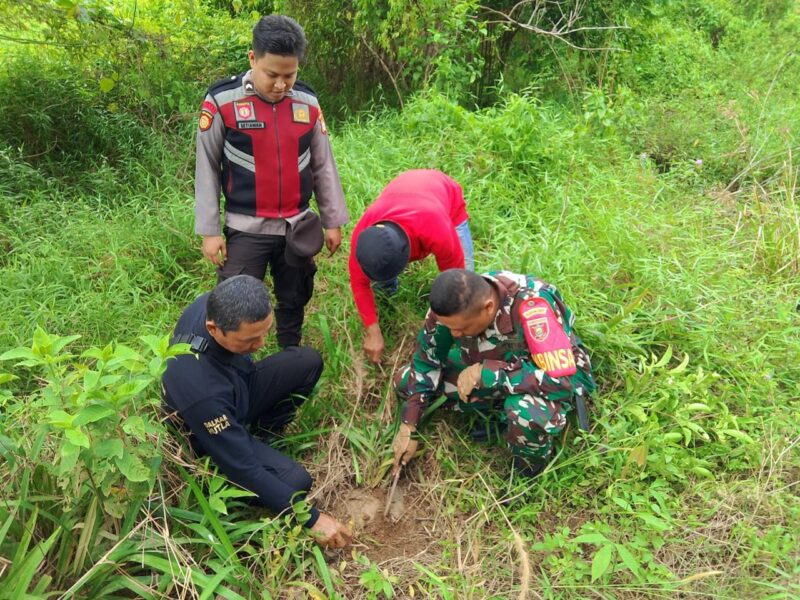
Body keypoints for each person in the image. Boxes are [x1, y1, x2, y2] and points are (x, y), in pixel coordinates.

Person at [162, 275, 351, 548]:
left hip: (236, 387)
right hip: (210, 432)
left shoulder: (216, 304)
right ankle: (248, 447)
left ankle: (263, 435)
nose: (262, 344)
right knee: (296, 481)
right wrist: (310, 519)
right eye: (250, 339)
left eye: (265, 332)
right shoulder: (201, 392)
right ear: (213, 328)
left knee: (306, 361)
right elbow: (243, 467)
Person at [195, 14, 349, 348]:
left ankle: (288, 353)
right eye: (272, 75)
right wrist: (209, 231)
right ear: (253, 58)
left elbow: (323, 164)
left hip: (297, 227)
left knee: (294, 296)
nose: (281, 85)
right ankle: (236, 364)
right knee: (235, 306)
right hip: (245, 228)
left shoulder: (307, 103)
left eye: (289, 75)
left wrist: (333, 221)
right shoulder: (223, 101)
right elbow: (205, 166)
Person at [390, 269, 595, 478]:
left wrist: (487, 374)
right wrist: (409, 425)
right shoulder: (452, 310)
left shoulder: (532, 307)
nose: (454, 334)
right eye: (450, 328)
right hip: (491, 368)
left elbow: (564, 380)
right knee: (405, 381)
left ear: (488, 308)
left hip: (544, 377)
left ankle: (528, 472)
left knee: (524, 412)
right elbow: (427, 362)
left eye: (461, 329)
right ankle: (496, 412)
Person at [348, 169, 475, 364]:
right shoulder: (364, 239)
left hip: (442, 195)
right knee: (381, 284)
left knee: (466, 288)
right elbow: (359, 284)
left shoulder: (437, 229)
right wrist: (372, 329)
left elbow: (455, 280)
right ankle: (388, 292)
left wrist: (451, 323)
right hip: (405, 191)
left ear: (408, 255)